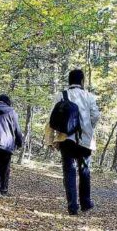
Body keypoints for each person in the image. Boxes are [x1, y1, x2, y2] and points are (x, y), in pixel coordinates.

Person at [45, 69, 100, 215]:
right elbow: (95, 116)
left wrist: (50, 140)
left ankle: (72, 206)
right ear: (82, 81)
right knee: (84, 170)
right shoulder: (89, 96)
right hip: (85, 140)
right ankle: (86, 203)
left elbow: (51, 120)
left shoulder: (61, 96)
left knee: (69, 171)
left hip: (65, 139)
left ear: (69, 81)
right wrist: (88, 126)